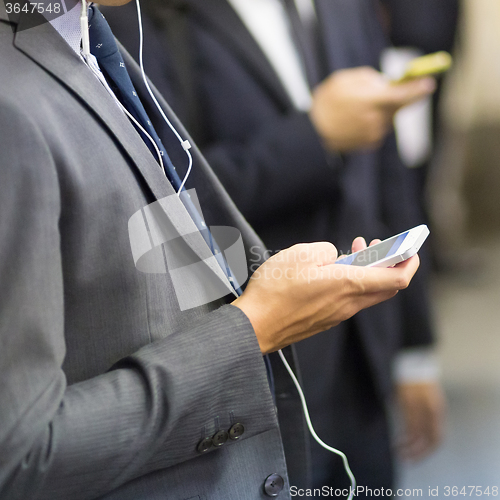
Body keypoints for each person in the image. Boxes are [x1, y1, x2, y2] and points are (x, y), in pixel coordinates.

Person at [0, 1, 421, 499]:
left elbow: (144, 233)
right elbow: (21, 454)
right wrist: (251, 328)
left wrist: (268, 293)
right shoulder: (17, 96)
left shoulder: (82, 31)